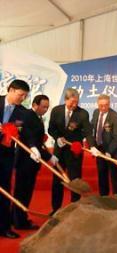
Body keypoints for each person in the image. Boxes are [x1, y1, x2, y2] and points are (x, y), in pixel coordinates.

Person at [48, 88, 100, 214]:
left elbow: (88, 131)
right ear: (65, 100)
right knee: (57, 180)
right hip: (59, 151)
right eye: (72, 102)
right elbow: (51, 129)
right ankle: (55, 209)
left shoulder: (83, 114)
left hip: (74, 151)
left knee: (75, 180)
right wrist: (57, 138)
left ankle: (75, 208)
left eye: (76, 102)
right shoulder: (56, 111)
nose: (74, 105)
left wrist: (92, 146)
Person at [12, 95, 58, 230]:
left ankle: (16, 218)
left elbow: (38, 142)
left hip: (33, 160)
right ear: (35, 104)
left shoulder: (37, 117)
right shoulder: (27, 115)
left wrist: (48, 156)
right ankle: (20, 222)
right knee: (22, 193)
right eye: (43, 106)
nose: (46, 109)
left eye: (47, 107)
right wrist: (45, 155)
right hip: (26, 161)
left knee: (25, 192)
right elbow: (29, 137)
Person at [0, 79, 29, 238]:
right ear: (10, 90)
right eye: (20, 95)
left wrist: (33, 147)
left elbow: (23, 133)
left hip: (6, 156)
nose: (22, 98)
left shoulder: (22, 113)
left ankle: (3, 227)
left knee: (4, 191)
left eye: (25, 96)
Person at [92, 95, 117, 196]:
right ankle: (104, 199)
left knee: (116, 178)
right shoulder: (96, 112)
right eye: (101, 105)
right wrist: (92, 145)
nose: (103, 108)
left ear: (109, 104)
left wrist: (109, 152)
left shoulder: (116, 117)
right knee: (102, 176)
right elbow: (93, 128)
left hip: (113, 152)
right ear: (97, 104)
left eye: (106, 105)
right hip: (100, 150)